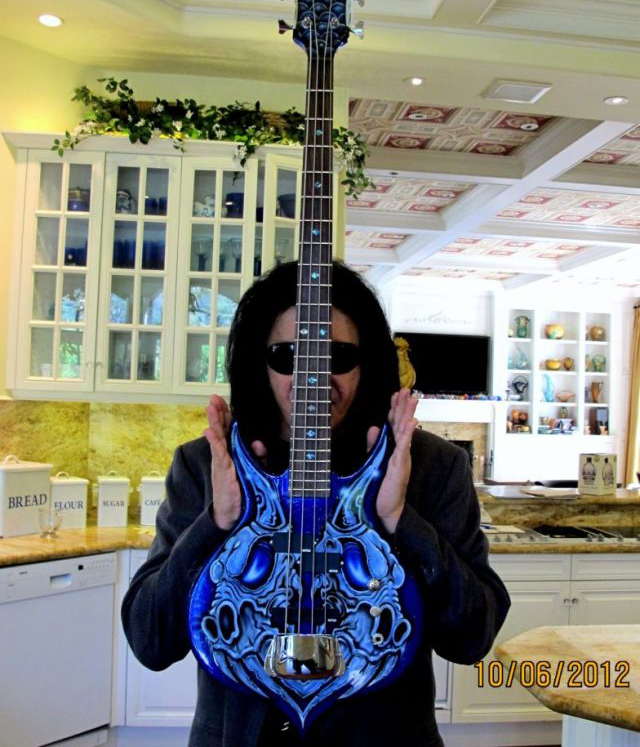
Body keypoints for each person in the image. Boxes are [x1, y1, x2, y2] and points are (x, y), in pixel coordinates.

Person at [122, 260, 510, 747]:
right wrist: (216, 524)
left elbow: (472, 639)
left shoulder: (431, 465)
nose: (313, 377)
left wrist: (400, 521)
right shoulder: (207, 463)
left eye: (338, 356)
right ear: (259, 362)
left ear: (367, 362)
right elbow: (151, 642)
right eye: (288, 355)